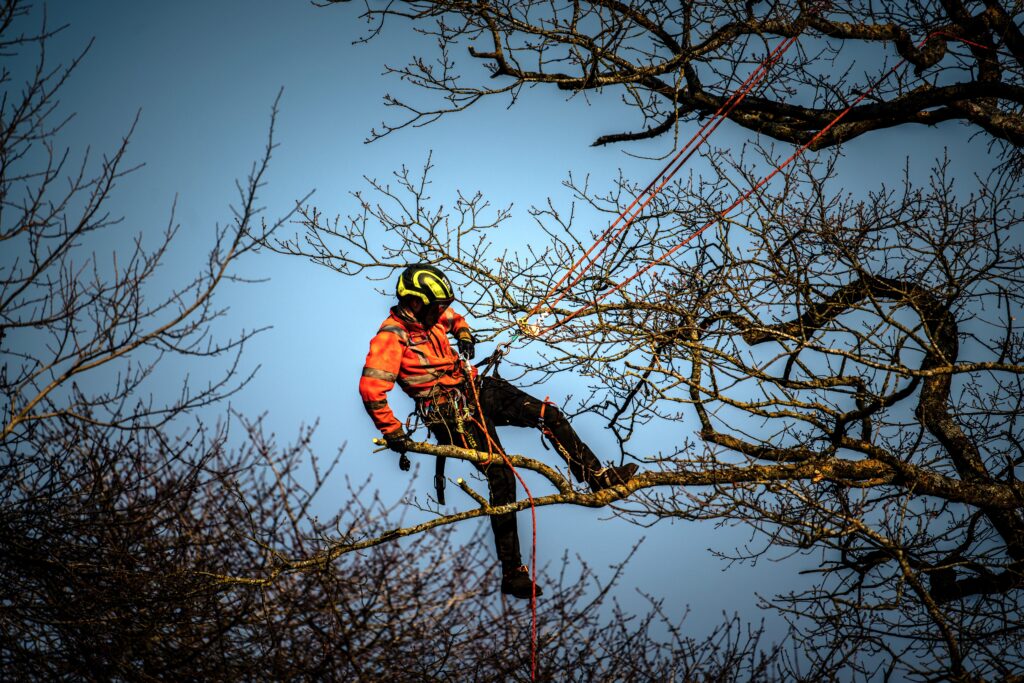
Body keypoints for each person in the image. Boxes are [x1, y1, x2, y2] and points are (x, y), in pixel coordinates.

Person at [359, 264, 639, 599]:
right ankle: (512, 572)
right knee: (502, 474)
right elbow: (371, 388)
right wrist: (394, 432)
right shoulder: (392, 336)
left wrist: (463, 334)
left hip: (475, 388)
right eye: (436, 306)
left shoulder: (434, 316)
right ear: (416, 303)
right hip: (450, 414)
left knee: (549, 415)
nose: (442, 312)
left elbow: (455, 319)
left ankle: (597, 476)